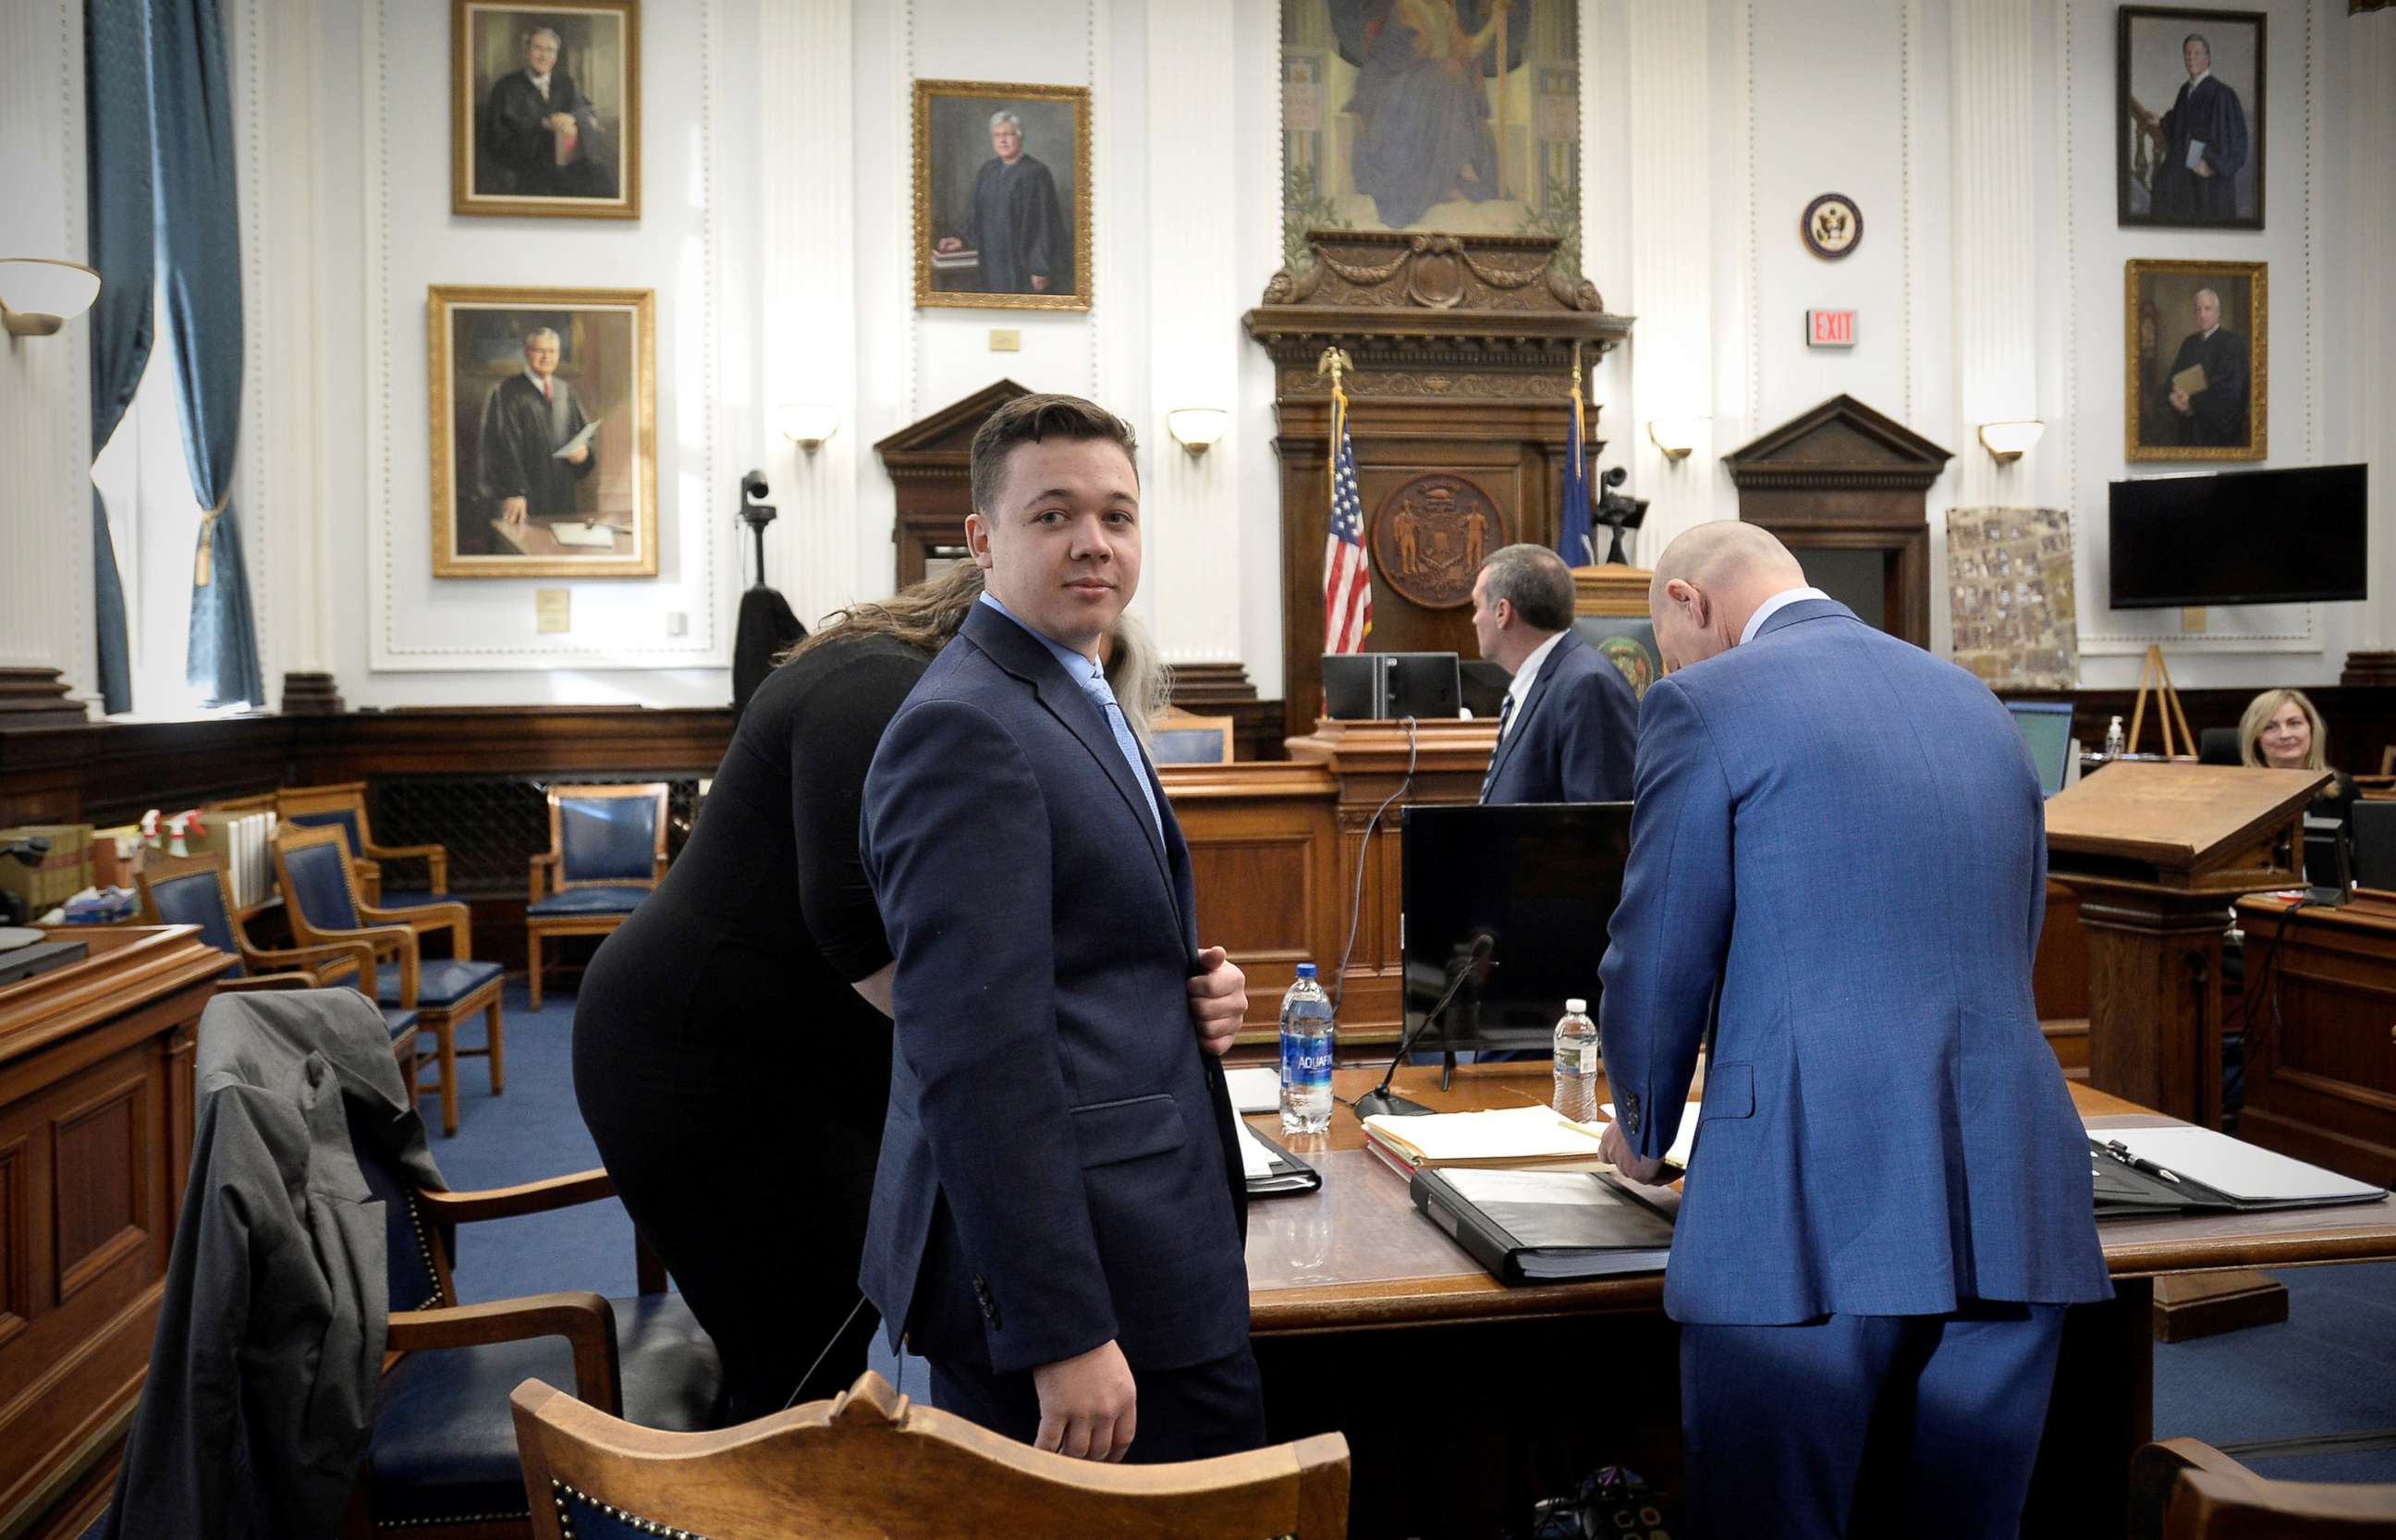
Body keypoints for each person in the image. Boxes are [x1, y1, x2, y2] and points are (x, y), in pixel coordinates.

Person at [571, 562, 1226, 1424]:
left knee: (833, 1335)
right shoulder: (886, 687)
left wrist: (1159, 995)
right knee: (800, 1355)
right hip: (702, 1063)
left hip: (803, 1052)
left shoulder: (938, 684)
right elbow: (868, 941)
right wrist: (1083, 1045)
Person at [1595, 520, 2110, 1539]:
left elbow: (1656, 955)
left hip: (1802, 1201)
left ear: (1690, 603)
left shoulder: (1702, 701)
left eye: (1665, 637)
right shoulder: (1977, 702)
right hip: (2008, 1189)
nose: (1670, 661)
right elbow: (2018, 932)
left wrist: (1643, 1129)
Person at [860, 393, 1261, 1464]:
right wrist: (1061, 1327)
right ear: (982, 540)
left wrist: (1186, 996)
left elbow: (1077, 958)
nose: (1094, 542)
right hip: (1089, 1283)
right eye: (1054, 516)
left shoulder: (1068, 683)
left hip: (1140, 1233)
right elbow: (976, 1056)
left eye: (1118, 516)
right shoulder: (965, 724)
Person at [1471, 544, 1636, 805]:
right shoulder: (1548, 679)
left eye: (1477, 606)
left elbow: (1600, 823)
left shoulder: (1586, 684)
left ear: (1502, 612)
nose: (1475, 619)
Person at [1340, 0, 1519, 229]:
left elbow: (1465, 52)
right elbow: (1412, 53)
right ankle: (1457, 165)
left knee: (1450, 72)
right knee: (1449, 72)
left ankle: (1452, 172)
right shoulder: (1405, 6)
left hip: (1427, 84)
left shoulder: (1443, 10)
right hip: (1389, 90)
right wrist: (1446, 49)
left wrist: (1495, 19)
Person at [935, 112, 1071, 295]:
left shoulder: (1036, 173)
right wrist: (961, 239)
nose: (1003, 140)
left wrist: (1040, 267)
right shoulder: (988, 171)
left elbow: (1045, 224)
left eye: (1009, 134)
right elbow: (977, 213)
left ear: (1020, 137)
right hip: (991, 260)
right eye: (997, 135)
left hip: (1022, 264)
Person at [476, 327, 594, 534]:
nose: (546, 357)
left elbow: (582, 436)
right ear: (527, 352)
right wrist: (512, 492)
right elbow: (499, 446)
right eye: (540, 350)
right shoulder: (505, 391)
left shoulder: (564, 391)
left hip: (561, 496)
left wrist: (584, 453)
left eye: (552, 351)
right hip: (521, 499)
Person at [479, 25, 611, 199]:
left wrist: (570, 117)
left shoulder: (565, 83)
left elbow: (587, 108)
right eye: (537, 48)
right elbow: (496, 136)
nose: (544, 56)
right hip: (523, 169)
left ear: (556, 56)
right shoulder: (506, 86)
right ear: (526, 52)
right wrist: (542, 124)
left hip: (566, 168)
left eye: (550, 50)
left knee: (603, 182)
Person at [2139, 32, 2247, 223]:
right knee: (2164, 189)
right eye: (2187, 53)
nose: (2191, 58)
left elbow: (2237, 143)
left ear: (2208, 59)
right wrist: (2163, 122)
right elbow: (2182, 123)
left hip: (2209, 170)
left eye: (2196, 53)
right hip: (2188, 164)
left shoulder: (2222, 93)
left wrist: (2213, 167)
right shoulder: (2185, 90)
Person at [2241, 687, 2356, 861]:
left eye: (2294, 723)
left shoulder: (2343, 787)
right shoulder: (2238, 794)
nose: (2285, 735)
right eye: (2270, 727)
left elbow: (2364, 857)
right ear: (2256, 737)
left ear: (2311, 728)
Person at [2158, 287, 2251, 447]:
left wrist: (2192, 402)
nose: (2202, 315)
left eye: (2207, 309)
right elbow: (2172, 381)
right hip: (2189, 431)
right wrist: (2173, 398)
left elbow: (2231, 392)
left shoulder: (2233, 344)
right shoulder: (2189, 343)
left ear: (2218, 312)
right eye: (2198, 309)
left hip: (2219, 435)